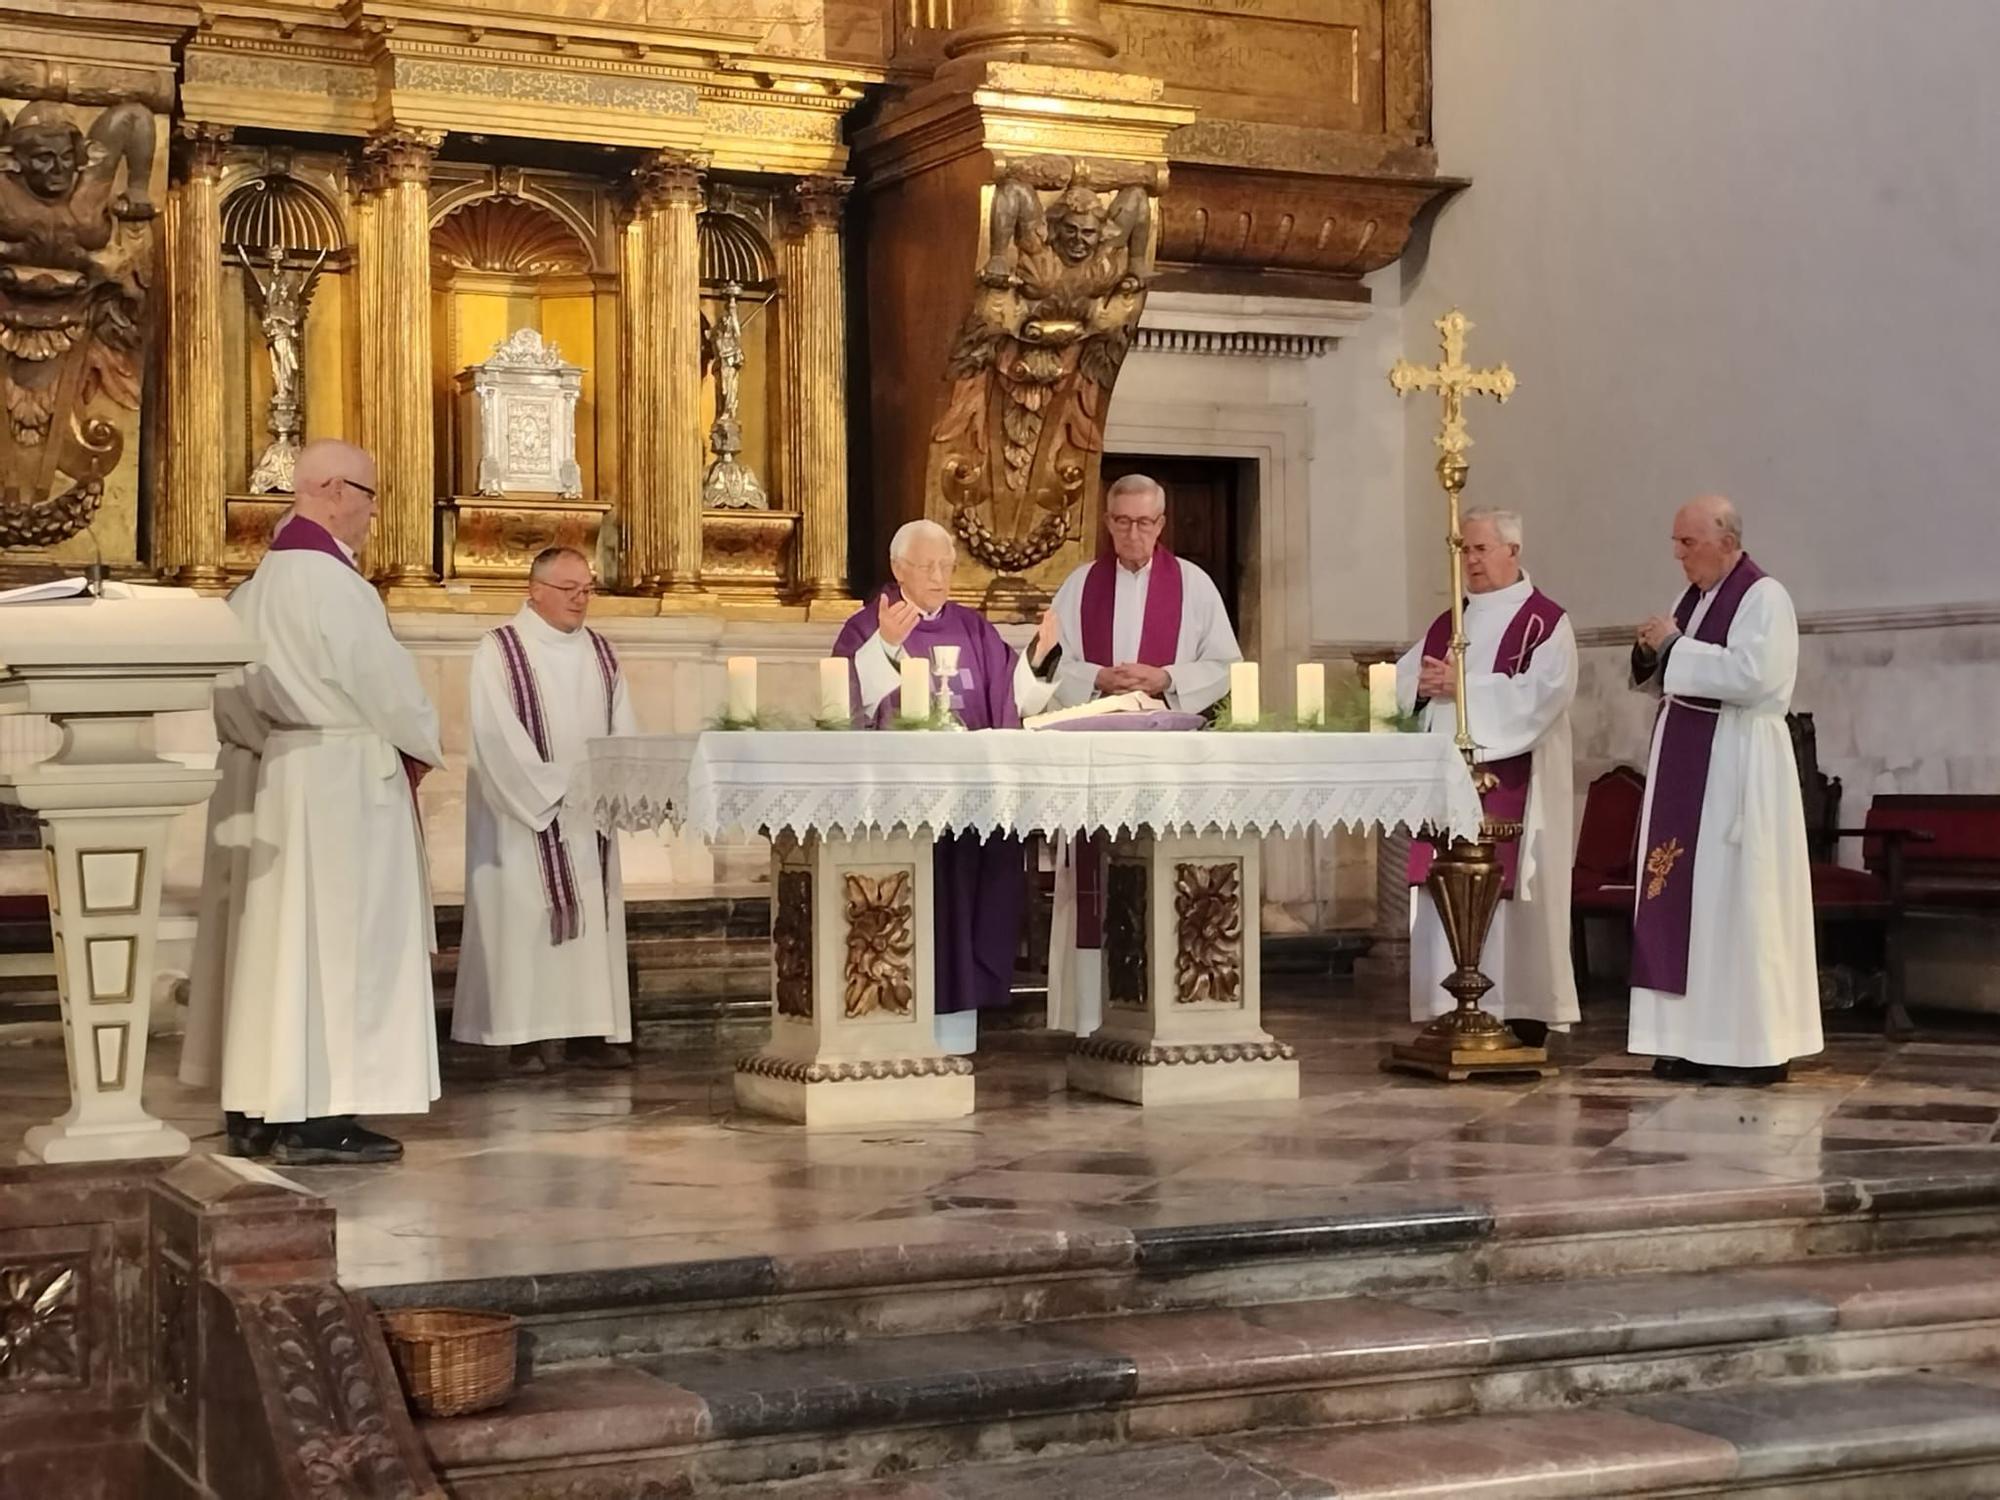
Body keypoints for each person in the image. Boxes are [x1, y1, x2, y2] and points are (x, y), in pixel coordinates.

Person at [215, 438, 446, 1163]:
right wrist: (419, 739)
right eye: (372, 498)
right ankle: (323, 1119)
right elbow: (389, 693)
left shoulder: (255, 587)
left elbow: (230, 698)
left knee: (283, 949)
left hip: (285, 772)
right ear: (336, 491)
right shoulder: (337, 587)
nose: (374, 516)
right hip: (346, 780)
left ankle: (265, 1102)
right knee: (346, 947)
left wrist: (281, 740)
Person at [831, 519, 1061, 1054]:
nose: (939, 576)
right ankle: (903, 1024)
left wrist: (1039, 654)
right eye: (927, 566)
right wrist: (887, 646)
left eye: (946, 566)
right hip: (906, 807)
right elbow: (848, 703)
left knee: (979, 902)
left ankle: (961, 1029)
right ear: (898, 569)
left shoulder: (975, 628)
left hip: (974, 802)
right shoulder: (867, 627)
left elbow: (1014, 699)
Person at [1039, 473, 1243, 1035]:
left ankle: (1170, 999)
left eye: (1144, 522)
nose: (1133, 533)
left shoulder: (1194, 585)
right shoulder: (1080, 585)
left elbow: (1227, 665)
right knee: (1093, 882)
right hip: (1096, 757)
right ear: (1107, 523)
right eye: (1122, 522)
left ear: (1161, 524)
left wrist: (1167, 675)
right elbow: (1045, 666)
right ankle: (1088, 1015)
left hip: (1165, 757)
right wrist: (1097, 675)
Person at [1628, 495, 1820, 1086]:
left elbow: (1754, 677)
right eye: (1676, 542)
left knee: (1738, 902)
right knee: (1692, 904)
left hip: (1739, 770)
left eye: (1689, 542)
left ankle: (1753, 1046)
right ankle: (1688, 1038)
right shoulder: (1693, 600)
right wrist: (1650, 652)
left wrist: (1674, 648)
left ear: (1728, 542)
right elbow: (1668, 673)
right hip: (1689, 765)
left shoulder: (1765, 597)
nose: (1679, 554)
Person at [1394, 507, 1579, 1045]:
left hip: (1516, 783)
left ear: (1513, 551)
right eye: (1463, 550)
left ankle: (1520, 1005)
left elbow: (1545, 698)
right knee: (1445, 881)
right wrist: (1421, 689)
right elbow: (1404, 683)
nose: (1470, 561)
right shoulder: (1449, 619)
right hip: (1449, 784)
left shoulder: (1545, 622)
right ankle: (1451, 1000)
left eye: (1479, 549)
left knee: (1515, 886)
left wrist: (1464, 689)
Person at [453, 547, 638, 1071]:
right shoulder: (500, 651)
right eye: (568, 589)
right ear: (533, 591)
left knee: (591, 916)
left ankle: (590, 1030)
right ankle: (526, 1035)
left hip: (590, 813)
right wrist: (553, 787)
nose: (580, 599)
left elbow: (623, 728)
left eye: (587, 589)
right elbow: (496, 735)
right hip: (524, 813)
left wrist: (613, 782)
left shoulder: (601, 652)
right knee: (527, 913)